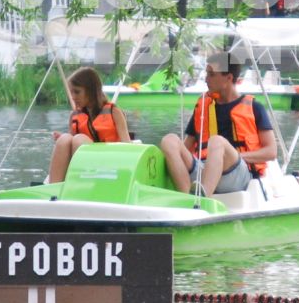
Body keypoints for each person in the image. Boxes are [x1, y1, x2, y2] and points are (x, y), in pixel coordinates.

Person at [159, 56, 278, 197]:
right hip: (203, 170)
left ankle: (204, 199)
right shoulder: (203, 107)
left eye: (211, 74)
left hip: (237, 174)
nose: (206, 79)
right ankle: (187, 199)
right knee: (170, 140)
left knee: (217, 141)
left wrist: (232, 156)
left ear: (228, 78)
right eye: (206, 74)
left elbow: (271, 152)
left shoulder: (254, 108)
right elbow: (186, 148)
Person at [47, 68, 130, 182]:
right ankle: (54, 188)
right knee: (65, 139)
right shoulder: (74, 116)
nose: (73, 96)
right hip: (83, 161)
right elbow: (70, 141)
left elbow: (127, 145)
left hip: (110, 165)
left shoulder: (114, 112)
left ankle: (81, 185)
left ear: (91, 90)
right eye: (71, 92)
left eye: (77, 92)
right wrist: (61, 137)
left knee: (79, 140)